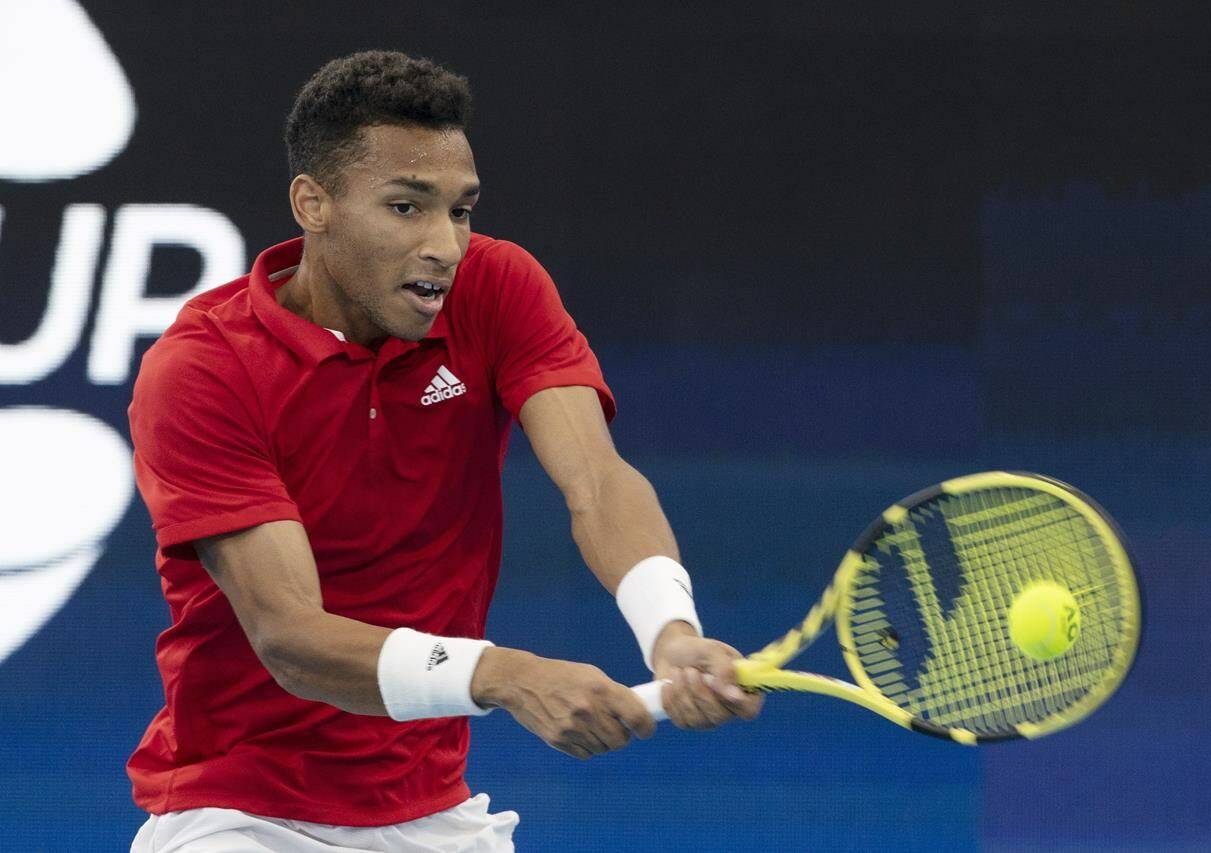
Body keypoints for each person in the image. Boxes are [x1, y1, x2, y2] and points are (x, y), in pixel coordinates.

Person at [126, 50, 761, 852]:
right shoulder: (203, 368)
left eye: (460, 210)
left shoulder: (498, 287)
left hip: (432, 811)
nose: (446, 245)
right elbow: (291, 635)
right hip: (239, 812)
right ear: (313, 203)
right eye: (405, 207)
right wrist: (505, 674)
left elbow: (596, 481)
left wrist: (670, 629)